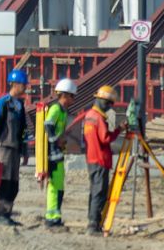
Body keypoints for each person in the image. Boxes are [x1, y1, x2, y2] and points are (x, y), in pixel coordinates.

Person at [0, 68, 31, 222]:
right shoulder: (2, 103)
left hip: (15, 150)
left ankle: (6, 213)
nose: (25, 88)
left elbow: (23, 130)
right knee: (2, 182)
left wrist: (25, 150)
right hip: (3, 148)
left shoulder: (20, 106)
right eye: (23, 85)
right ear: (14, 84)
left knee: (13, 184)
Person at [81, 84, 125, 234]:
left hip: (91, 159)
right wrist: (119, 129)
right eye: (109, 104)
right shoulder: (99, 118)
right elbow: (105, 138)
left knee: (94, 191)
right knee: (99, 192)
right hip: (100, 159)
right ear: (104, 101)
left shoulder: (89, 116)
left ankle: (93, 222)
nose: (110, 107)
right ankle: (93, 225)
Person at [36, 77, 78, 228]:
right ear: (65, 95)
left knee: (59, 185)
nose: (73, 99)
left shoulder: (63, 111)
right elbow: (48, 125)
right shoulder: (55, 109)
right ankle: (51, 217)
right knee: (54, 186)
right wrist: (56, 140)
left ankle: (56, 215)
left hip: (58, 153)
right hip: (52, 154)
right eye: (72, 96)